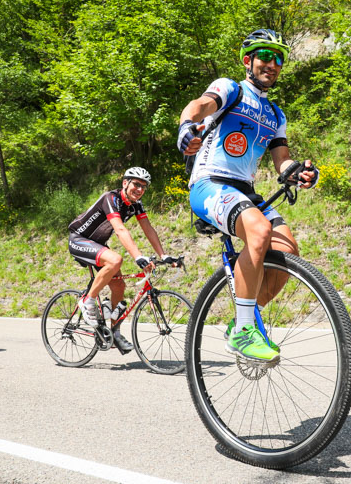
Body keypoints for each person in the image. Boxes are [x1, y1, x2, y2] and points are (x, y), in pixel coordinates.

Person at [177, 29, 319, 362]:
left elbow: (281, 160)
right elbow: (199, 106)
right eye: (265, 56)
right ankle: (244, 331)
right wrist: (186, 126)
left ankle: (241, 319)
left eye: (279, 58)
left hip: (244, 191)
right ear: (248, 61)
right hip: (209, 184)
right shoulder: (231, 89)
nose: (273, 63)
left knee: (287, 253)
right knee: (259, 231)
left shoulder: (276, 115)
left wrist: (297, 173)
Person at [68, 167, 178, 354]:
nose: (140, 189)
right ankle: (88, 300)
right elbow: (120, 230)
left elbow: (148, 228)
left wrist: (163, 255)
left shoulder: (136, 205)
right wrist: (138, 257)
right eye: (136, 184)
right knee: (115, 260)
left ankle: (114, 333)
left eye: (144, 186)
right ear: (125, 183)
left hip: (97, 244)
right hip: (79, 240)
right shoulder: (110, 199)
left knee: (119, 287)